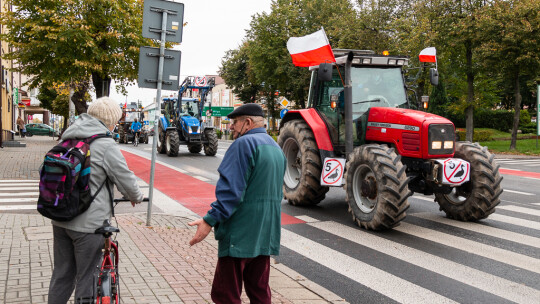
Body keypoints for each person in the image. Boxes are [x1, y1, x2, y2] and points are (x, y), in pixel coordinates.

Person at [48, 97, 144, 303]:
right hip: (89, 225)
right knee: (87, 277)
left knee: (62, 275)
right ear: (111, 121)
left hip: (60, 218)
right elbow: (125, 179)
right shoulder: (105, 144)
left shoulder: (67, 138)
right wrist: (135, 196)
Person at [189, 103, 286, 304]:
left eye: (235, 122)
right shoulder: (275, 147)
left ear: (247, 123)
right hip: (265, 234)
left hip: (239, 235)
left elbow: (231, 193)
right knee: (260, 292)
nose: (231, 126)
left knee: (226, 295)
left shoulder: (243, 145)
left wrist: (209, 220)